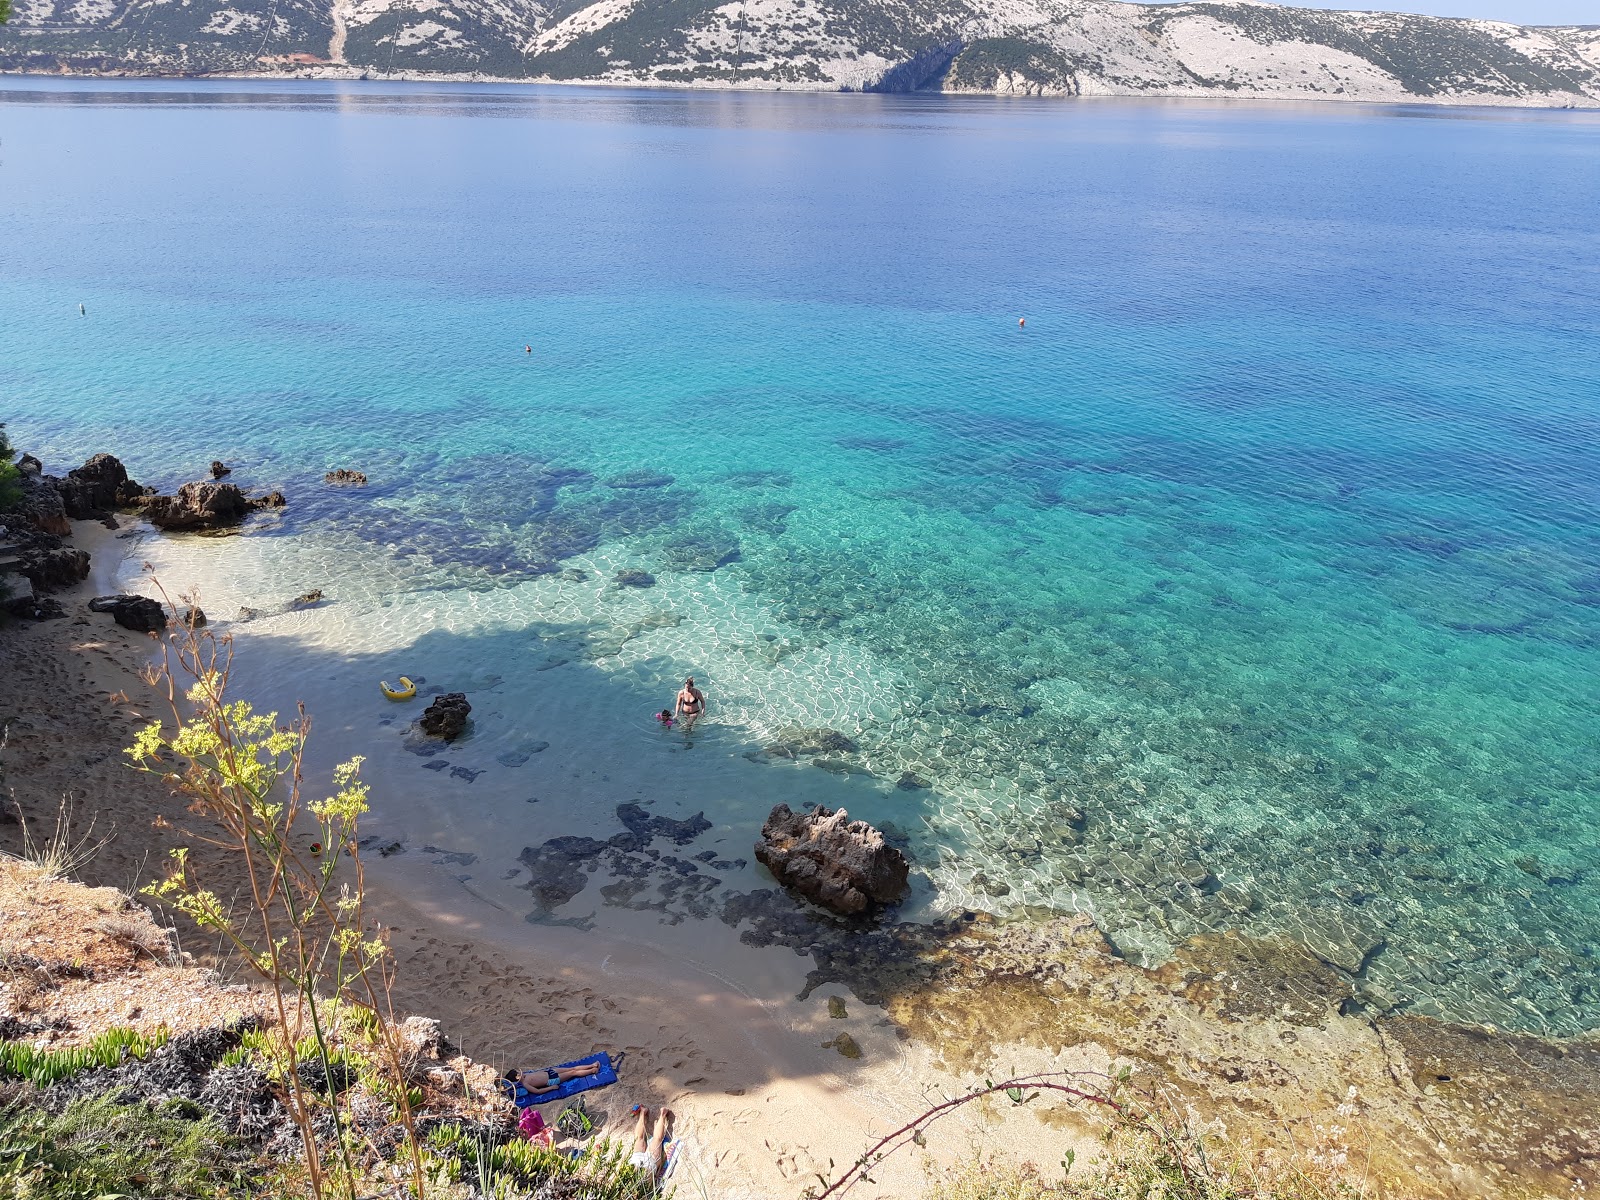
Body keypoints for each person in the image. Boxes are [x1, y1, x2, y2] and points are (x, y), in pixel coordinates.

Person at [498, 1060, 601, 1106]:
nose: (521, 1073)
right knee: (573, 1072)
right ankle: (592, 1071)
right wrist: (551, 1088)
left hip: (550, 1072)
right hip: (551, 1080)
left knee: (571, 1068)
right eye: (518, 1074)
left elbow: (506, 1080)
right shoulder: (526, 1084)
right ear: (518, 1078)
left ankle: (591, 1065)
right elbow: (537, 1091)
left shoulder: (525, 1075)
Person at [628, 1105, 673, 1176]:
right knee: (639, 1138)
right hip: (635, 1163)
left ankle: (663, 1114)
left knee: (657, 1139)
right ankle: (643, 1112)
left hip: (648, 1167)